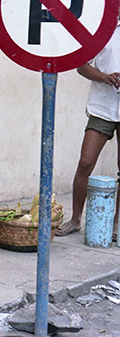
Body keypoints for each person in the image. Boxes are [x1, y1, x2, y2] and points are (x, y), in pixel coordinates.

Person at [55, 22, 120, 241]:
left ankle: (115, 226)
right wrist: (104, 77)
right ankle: (75, 220)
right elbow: (81, 66)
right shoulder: (103, 32)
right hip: (102, 106)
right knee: (85, 162)